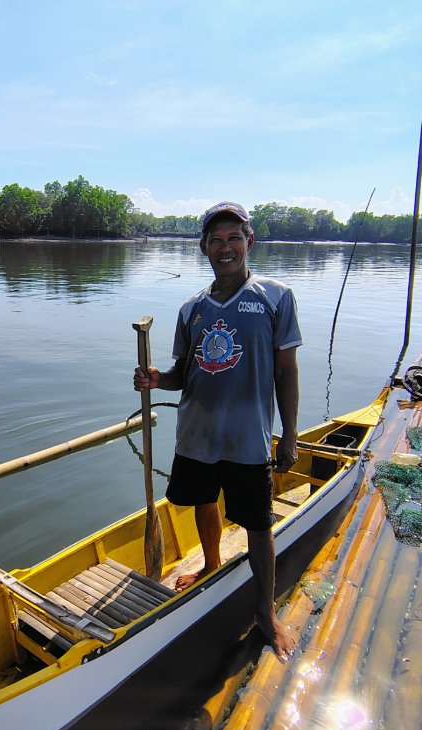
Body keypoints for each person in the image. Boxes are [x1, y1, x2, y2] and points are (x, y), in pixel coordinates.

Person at [133, 201, 301, 658]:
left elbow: (286, 372)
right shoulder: (192, 309)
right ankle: (211, 563)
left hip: (247, 438)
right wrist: (156, 379)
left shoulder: (275, 297)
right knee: (204, 502)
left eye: (233, 238)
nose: (225, 248)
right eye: (215, 240)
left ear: (249, 242)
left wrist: (288, 434)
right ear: (204, 247)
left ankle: (266, 614)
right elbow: (183, 373)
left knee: (258, 524)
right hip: (197, 435)